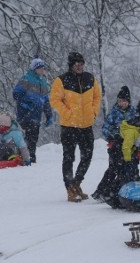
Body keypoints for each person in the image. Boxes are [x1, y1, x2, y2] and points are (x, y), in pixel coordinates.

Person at [50, 51, 102, 202]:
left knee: (87, 155)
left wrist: (94, 111)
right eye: (76, 64)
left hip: (86, 125)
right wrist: (67, 114)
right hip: (69, 126)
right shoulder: (61, 80)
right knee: (69, 157)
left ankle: (76, 183)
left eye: (81, 63)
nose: (79, 66)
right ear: (71, 65)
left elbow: (97, 96)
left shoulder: (90, 78)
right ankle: (69, 189)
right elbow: (54, 100)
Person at [94, 86, 137, 204]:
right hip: (115, 145)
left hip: (129, 146)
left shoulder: (133, 112)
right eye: (119, 101)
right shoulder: (113, 112)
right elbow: (105, 127)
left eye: (124, 101)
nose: (121, 103)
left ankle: (126, 190)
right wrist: (113, 135)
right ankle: (102, 191)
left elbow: (138, 127)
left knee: (129, 168)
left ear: (128, 101)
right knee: (113, 168)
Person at [12, 57, 53, 163]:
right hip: (25, 114)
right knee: (26, 136)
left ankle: (29, 157)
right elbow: (16, 93)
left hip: (36, 115)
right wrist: (26, 103)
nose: (41, 70)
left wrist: (49, 115)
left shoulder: (43, 83)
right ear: (34, 68)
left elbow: (46, 101)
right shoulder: (26, 79)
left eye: (42, 68)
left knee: (34, 136)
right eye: (39, 68)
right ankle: (23, 156)